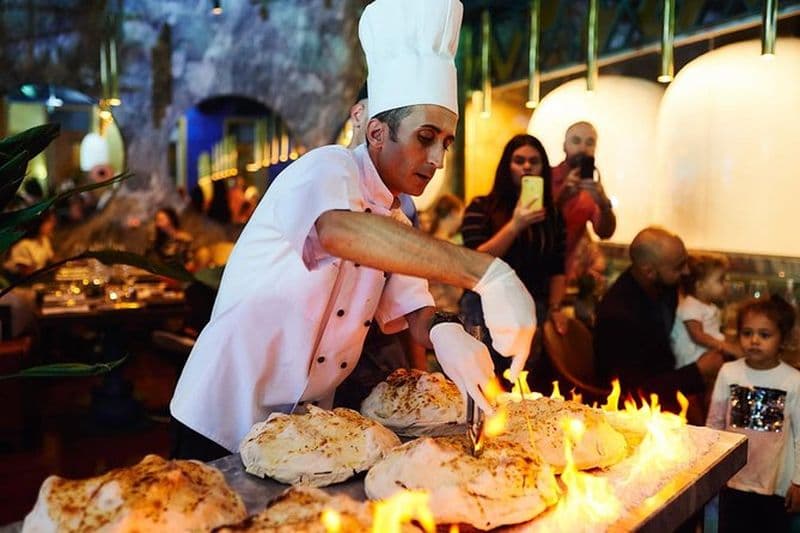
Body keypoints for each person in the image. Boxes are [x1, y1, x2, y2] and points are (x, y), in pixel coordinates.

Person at [170, 0, 536, 461]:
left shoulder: (395, 220)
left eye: (446, 143)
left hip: (306, 428)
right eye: (425, 138)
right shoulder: (326, 167)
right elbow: (339, 232)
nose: (438, 160)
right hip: (224, 415)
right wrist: (487, 272)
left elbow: (416, 308)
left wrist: (448, 334)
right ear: (377, 132)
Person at [459, 134, 566, 381]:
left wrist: (556, 307)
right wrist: (515, 225)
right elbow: (471, 261)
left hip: (532, 305)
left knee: (522, 379)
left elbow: (557, 266)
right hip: (483, 306)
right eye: (519, 160)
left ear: (543, 168)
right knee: (483, 376)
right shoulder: (481, 207)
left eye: (534, 161)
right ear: (507, 165)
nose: (527, 166)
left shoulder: (553, 215)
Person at [594, 227, 724, 406]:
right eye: (679, 266)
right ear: (649, 272)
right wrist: (698, 371)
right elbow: (632, 394)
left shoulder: (663, 286)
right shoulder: (619, 315)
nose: (687, 272)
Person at [707, 296, 800, 532]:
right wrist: (710, 471)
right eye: (747, 333)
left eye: (765, 334)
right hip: (732, 482)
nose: (754, 340)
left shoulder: (793, 381)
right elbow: (714, 424)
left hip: (775, 487)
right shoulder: (728, 372)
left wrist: (798, 483)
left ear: (783, 338)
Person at [551, 121, 616, 284]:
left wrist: (604, 203)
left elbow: (605, 232)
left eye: (590, 143)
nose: (582, 148)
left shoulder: (590, 188)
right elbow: (535, 222)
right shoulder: (546, 177)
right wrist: (562, 196)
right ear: (564, 146)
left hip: (567, 277)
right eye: (576, 141)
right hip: (536, 270)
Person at [671, 253, 743, 369]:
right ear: (700, 286)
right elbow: (698, 335)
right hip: (692, 360)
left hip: (706, 354)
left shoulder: (707, 307)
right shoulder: (691, 306)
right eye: (720, 280)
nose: (726, 284)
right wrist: (725, 346)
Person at [3, 210, 56, 277]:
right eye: (49, 221)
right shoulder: (23, 245)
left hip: (37, 280)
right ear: (39, 223)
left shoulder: (44, 239)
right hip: (23, 285)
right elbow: (26, 273)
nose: (53, 225)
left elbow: (52, 259)